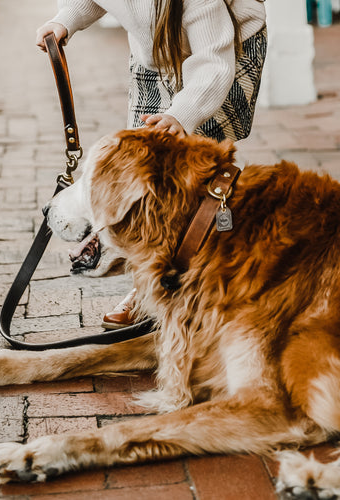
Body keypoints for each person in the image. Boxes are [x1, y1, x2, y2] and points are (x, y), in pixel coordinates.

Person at [37, 0, 267, 329]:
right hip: (155, 56)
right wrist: (65, 20)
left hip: (224, 51)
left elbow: (213, 64)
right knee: (140, 158)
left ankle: (210, 268)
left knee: (192, 171)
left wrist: (180, 116)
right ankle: (145, 285)